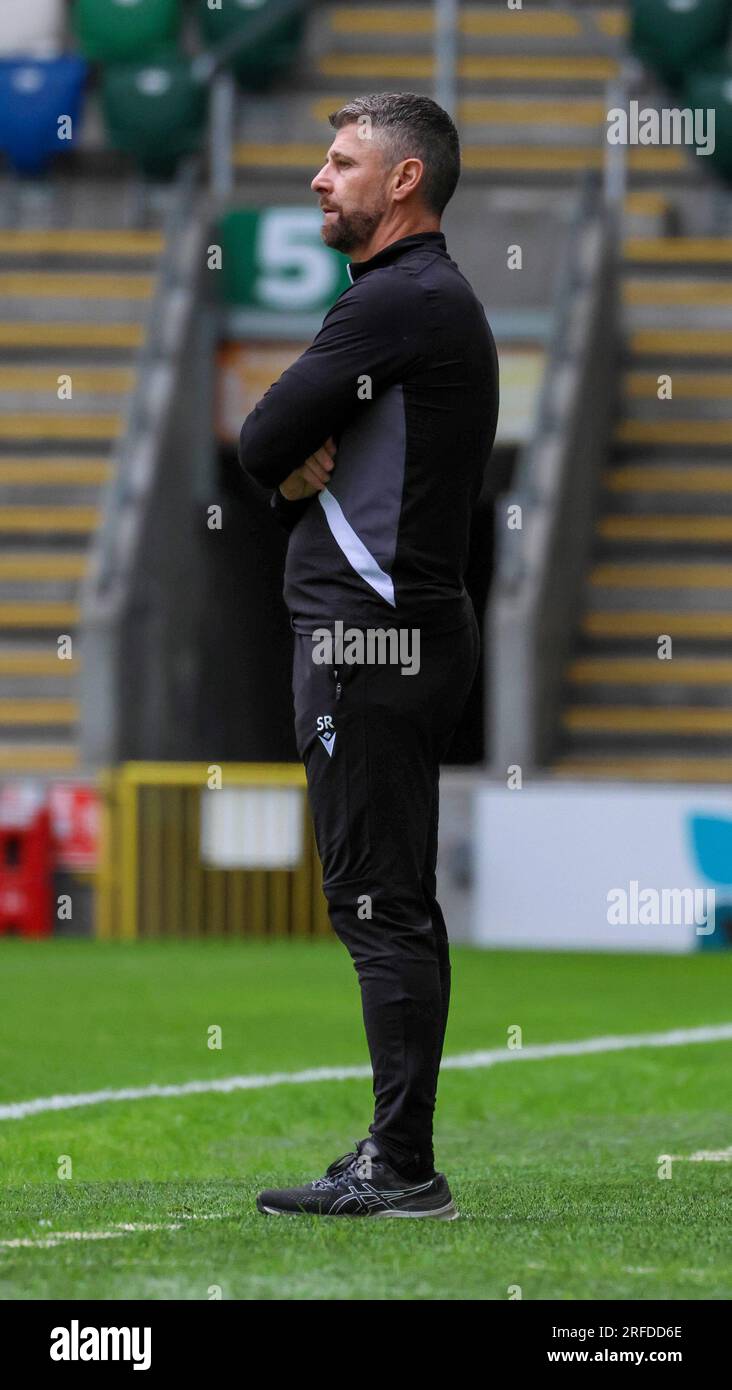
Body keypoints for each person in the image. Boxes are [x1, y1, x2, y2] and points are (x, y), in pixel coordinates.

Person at [239, 92, 499, 1219]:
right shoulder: (421, 302)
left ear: (404, 183)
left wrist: (289, 469)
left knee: (379, 906)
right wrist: (295, 467)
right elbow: (287, 451)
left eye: (341, 162)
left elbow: (259, 440)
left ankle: (402, 1169)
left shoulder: (398, 303)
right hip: (406, 633)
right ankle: (399, 1152)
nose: (317, 178)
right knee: (398, 901)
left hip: (366, 639)